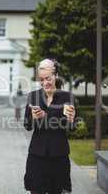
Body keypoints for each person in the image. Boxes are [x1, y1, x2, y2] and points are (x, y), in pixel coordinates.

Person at [23, 58, 77, 194]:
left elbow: (72, 128)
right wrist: (34, 118)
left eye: (48, 78)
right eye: (41, 79)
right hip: (37, 156)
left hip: (59, 156)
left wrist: (71, 120)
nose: (44, 82)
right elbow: (27, 125)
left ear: (56, 76)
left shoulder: (68, 97)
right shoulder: (33, 96)